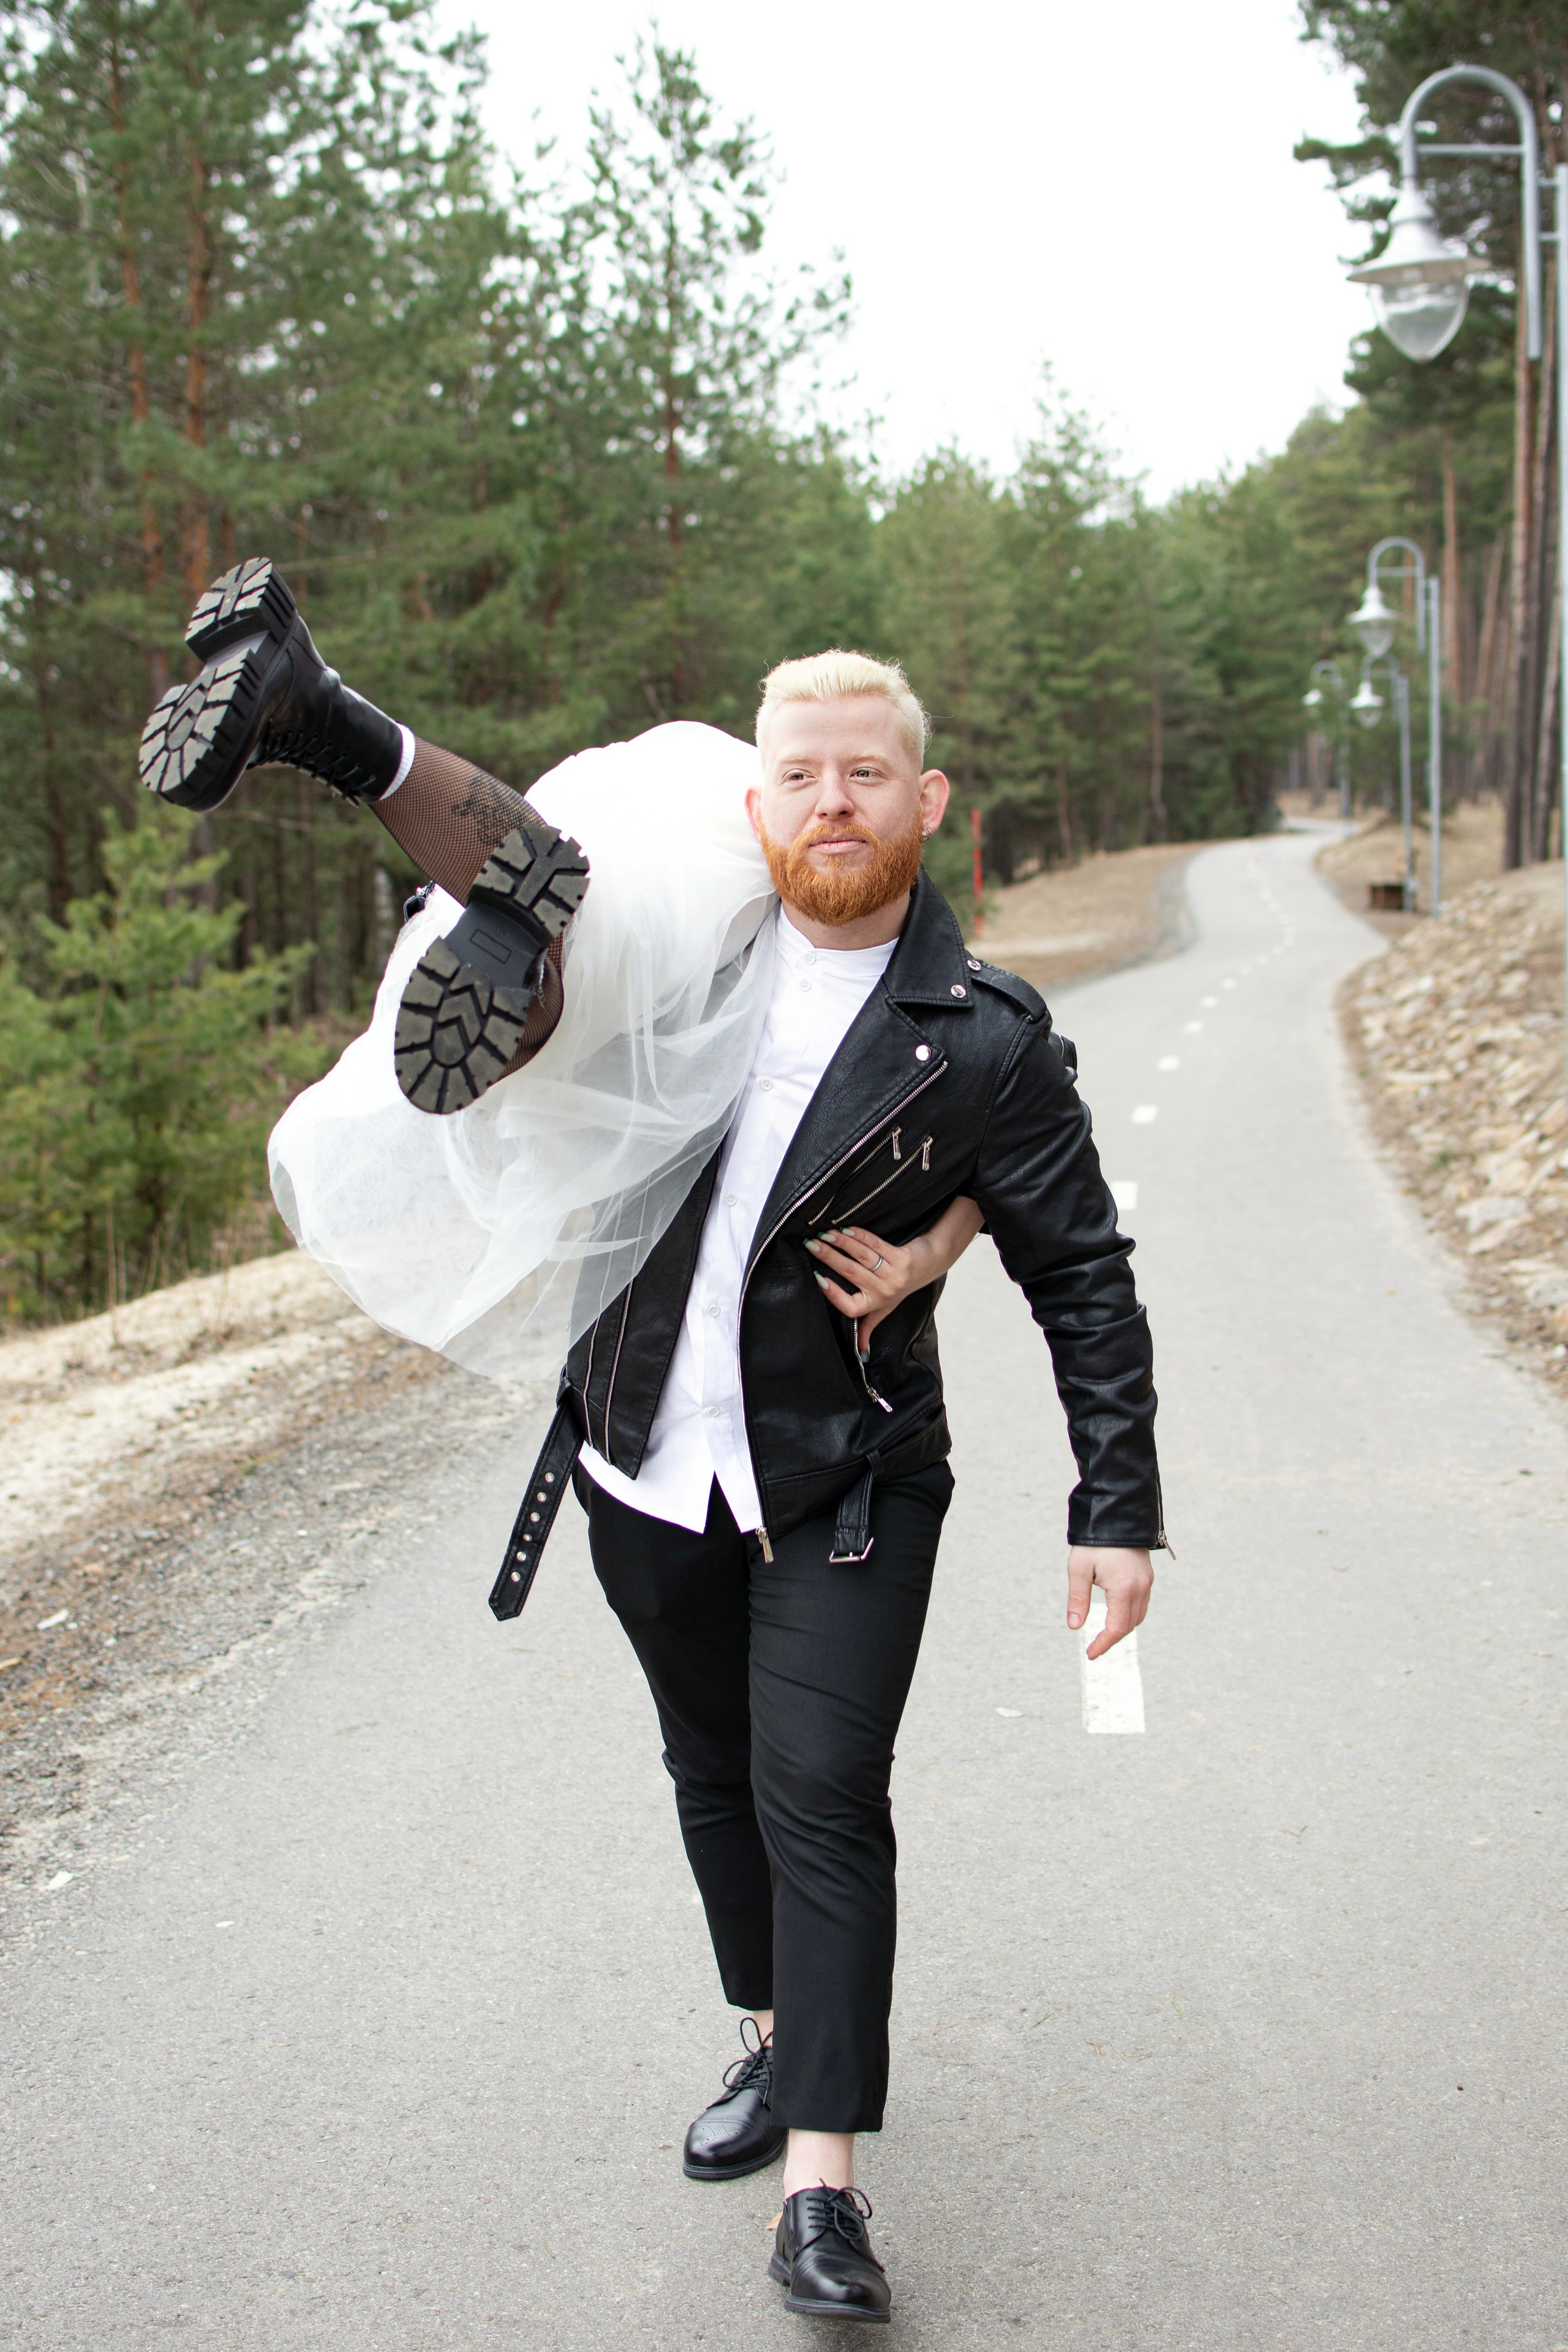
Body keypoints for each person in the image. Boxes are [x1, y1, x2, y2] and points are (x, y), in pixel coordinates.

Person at [141, 562, 1162, 2326]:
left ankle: (823, 2188)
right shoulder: (708, 950)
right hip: (634, 1459)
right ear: (757, 794)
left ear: (926, 804)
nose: (829, 801)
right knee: (712, 1776)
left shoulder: (984, 1044)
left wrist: (1114, 1504)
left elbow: (1088, 1275)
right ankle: (349, 741)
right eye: (799, 774)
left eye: (865, 776)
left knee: (819, 1796)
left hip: (841, 1472)